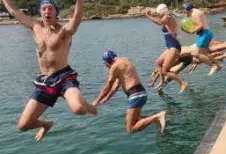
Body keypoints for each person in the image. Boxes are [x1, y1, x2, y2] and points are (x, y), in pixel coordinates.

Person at [2, 0, 97, 141]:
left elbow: (76, 20)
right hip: (45, 81)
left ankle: (87, 104)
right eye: (44, 8)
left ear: (56, 12)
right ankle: (46, 124)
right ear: (41, 12)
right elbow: (15, 12)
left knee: (79, 109)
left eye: (50, 8)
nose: (47, 11)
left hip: (65, 77)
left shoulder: (64, 31)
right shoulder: (35, 27)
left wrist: (79, 2)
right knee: (23, 125)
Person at [92, 51, 166, 133]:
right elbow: (116, 86)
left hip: (135, 95)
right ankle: (156, 120)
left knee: (130, 129)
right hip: (140, 93)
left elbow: (107, 87)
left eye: (105, 65)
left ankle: (157, 116)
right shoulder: (124, 61)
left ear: (107, 63)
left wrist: (95, 102)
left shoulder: (114, 67)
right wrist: (107, 98)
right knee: (134, 119)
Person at [145, 4, 188, 93]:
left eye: (158, 13)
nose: (158, 14)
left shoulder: (167, 17)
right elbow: (161, 23)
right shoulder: (165, 18)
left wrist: (148, 16)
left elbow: (160, 22)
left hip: (174, 47)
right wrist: (151, 14)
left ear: (162, 11)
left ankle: (183, 83)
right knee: (158, 63)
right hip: (170, 46)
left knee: (165, 71)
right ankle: (162, 81)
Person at [182, 2, 223, 76]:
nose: (184, 11)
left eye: (185, 9)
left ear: (188, 9)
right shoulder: (196, 11)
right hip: (207, 33)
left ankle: (213, 66)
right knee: (205, 53)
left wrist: (192, 31)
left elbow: (200, 25)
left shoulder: (194, 14)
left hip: (204, 34)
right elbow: (195, 21)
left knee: (198, 54)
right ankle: (218, 65)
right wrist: (188, 15)